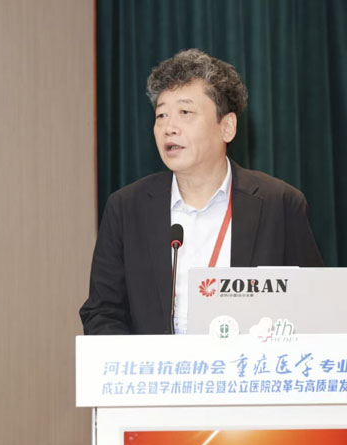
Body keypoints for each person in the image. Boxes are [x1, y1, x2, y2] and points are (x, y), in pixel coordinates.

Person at [80, 48, 323, 335]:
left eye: (185, 112)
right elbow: (102, 312)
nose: (169, 128)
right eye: (161, 115)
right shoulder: (126, 208)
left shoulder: (279, 204)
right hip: (156, 365)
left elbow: (313, 307)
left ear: (227, 127)